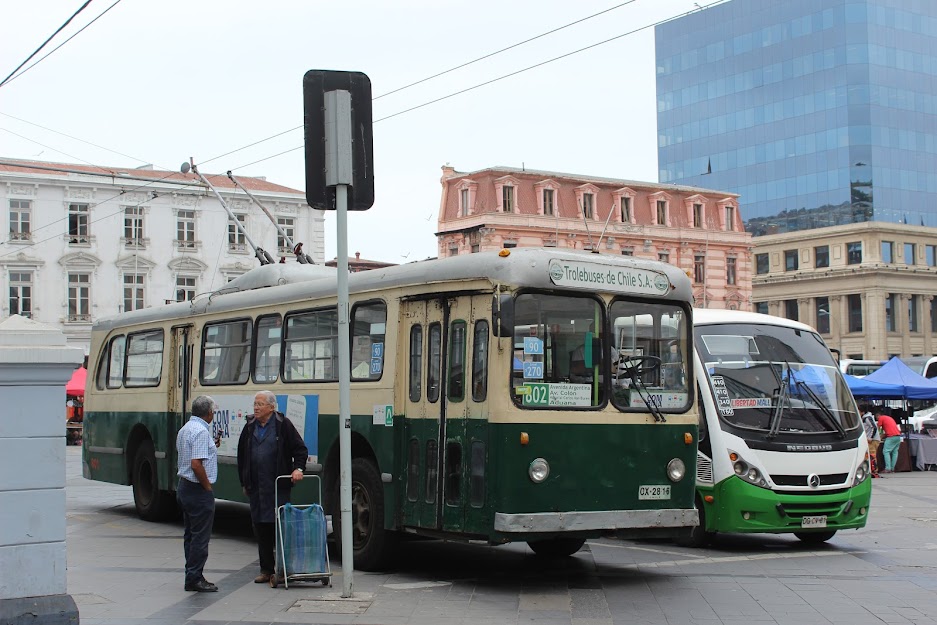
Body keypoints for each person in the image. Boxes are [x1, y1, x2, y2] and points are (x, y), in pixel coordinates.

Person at [237, 390, 308, 584]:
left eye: (260, 404)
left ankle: (284, 569)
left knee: (280, 528)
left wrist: (298, 469)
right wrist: (244, 482)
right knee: (260, 527)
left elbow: (300, 449)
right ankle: (266, 569)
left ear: (271, 407)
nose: (256, 407)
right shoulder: (250, 426)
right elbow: (242, 455)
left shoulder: (282, 425)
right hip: (257, 487)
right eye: (255, 404)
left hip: (277, 486)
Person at [175, 395, 220, 592]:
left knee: (190, 535)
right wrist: (207, 487)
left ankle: (191, 573)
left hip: (184, 487)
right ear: (209, 413)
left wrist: (212, 447)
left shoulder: (186, 429)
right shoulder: (201, 431)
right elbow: (196, 464)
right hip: (197, 489)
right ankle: (194, 577)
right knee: (200, 537)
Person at [862, 408, 881, 477]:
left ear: (862, 412)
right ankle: (872, 469)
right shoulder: (866, 418)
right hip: (871, 439)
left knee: (872, 454)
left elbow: (874, 427)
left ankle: (874, 470)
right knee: (870, 454)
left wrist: (870, 437)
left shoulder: (867, 418)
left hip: (873, 440)